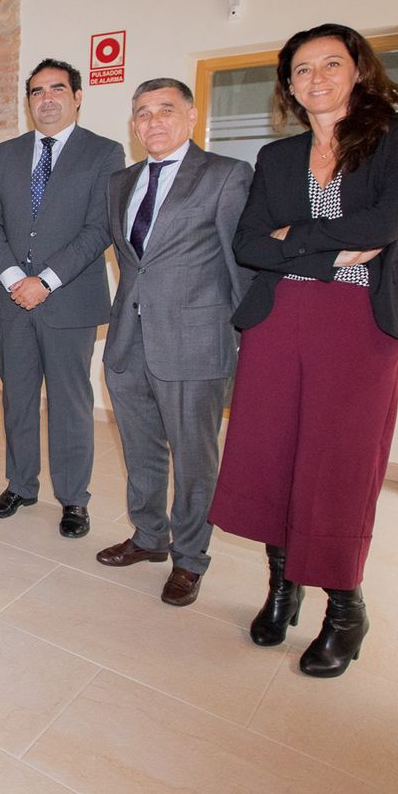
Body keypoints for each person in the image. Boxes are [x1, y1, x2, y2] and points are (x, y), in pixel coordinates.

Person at [209, 22, 398, 677]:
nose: (315, 78)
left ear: (358, 69)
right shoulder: (277, 158)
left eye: (329, 63)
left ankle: (344, 608)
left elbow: (385, 225)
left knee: (339, 464)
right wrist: (326, 251)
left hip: (359, 325)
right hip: (278, 318)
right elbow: (249, 244)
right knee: (273, 455)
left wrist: (294, 238)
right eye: (300, 69)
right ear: (288, 86)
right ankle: (282, 585)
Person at [97, 79, 252, 606]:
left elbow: (240, 267)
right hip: (127, 341)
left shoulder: (226, 176)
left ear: (190, 115)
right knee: (141, 450)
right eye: (142, 113)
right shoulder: (121, 182)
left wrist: (243, 341)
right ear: (133, 124)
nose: (153, 121)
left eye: (165, 109)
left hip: (194, 341)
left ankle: (190, 557)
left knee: (194, 458)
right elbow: (131, 260)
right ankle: (148, 537)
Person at [0, 59, 124, 536]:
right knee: (17, 398)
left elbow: (100, 227)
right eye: (37, 91)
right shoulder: (5, 153)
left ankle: (73, 499)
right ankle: (20, 484)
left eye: (57, 89)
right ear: (29, 100)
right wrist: (15, 276)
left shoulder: (104, 153)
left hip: (69, 301)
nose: (47, 99)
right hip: (11, 299)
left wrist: (47, 280)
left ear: (77, 95)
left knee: (70, 402)